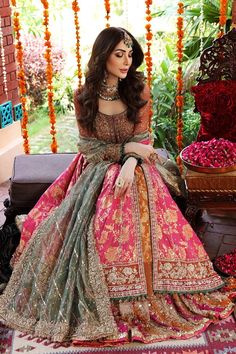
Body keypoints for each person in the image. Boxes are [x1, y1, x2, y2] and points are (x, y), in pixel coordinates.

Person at [0, 27, 234, 345]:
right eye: (119, 54)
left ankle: (149, 291)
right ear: (103, 56)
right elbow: (89, 148)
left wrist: (129, 161)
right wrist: (126, 151)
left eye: (129, 54)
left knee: (138, 206)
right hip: (94, 169)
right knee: (74, 230)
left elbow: (142, 139)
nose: (127, 62)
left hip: (136, 171)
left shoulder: (138, 89)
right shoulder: (84, 95)